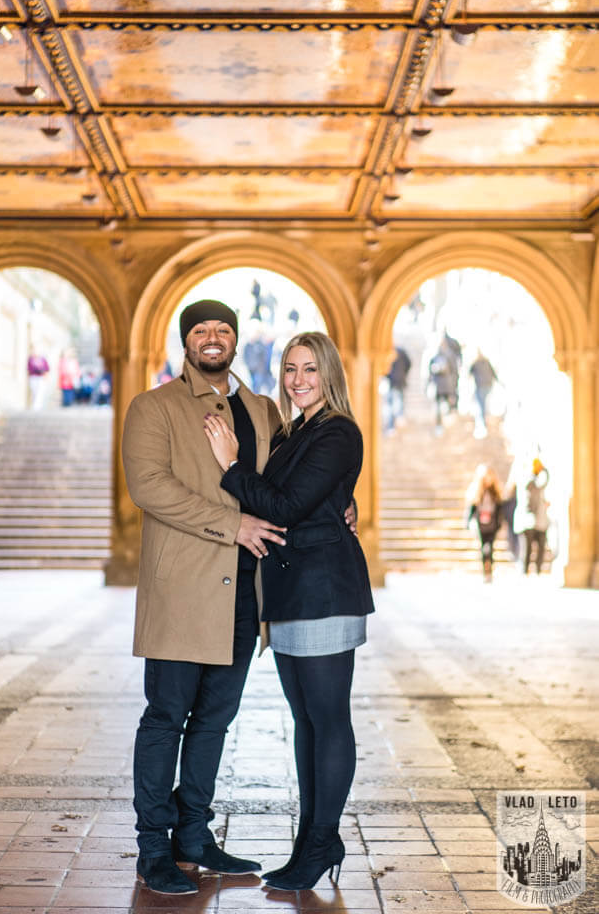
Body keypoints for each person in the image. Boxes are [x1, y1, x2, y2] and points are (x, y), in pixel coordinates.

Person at [121, 300, 287, 895]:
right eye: (200, 330)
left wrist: (339, 500)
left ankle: (194, 837)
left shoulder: (262, 410)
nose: (212, 338)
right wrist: (232, 526)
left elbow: (285, 480)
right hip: (183, 592)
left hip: (246, 592)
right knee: (166, 717)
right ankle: (152, 848)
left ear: (236, 341)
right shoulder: (154, 407)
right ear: (185, 341)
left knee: (215, 719)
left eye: (223, 330)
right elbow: (149, 486)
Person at [203, 331, 375, 892]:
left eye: (310, 369)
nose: (298, 380)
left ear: (329, 374)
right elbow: (309, 498)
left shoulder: (338, 432)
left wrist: (230, 465)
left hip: (324, 592)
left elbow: (285, 507)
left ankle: (322, 840)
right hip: (291, 592)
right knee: (305, 722)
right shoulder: (297, 430)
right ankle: (312, 838)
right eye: (290, 369)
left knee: (328, 721)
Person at [466, 464, 503, 582]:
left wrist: (499, 523)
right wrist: (468, 522)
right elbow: (471, 508)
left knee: (490, 548)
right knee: (483, 548)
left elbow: (499, 508)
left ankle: (490, 570)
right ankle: (485, 571)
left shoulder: (495, 492)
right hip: (481, 525)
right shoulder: (477, 491)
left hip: (492, 524)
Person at [515, 458, 550, 575]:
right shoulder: (529, 481)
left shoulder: (536, 482)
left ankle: (536, 571)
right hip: (527, 520)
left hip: (538, 520)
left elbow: (543, 484)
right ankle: (525, 572)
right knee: (527, 548)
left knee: (540, 546)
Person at [428, 343, 458, 432]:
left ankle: (439, 426)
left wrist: (429, 383)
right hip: (448, 386)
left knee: (438, 406)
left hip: (437, 386)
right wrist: (454, 386)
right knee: (446, 404)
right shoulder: (450, 355)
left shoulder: (434, 356)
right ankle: (447, 423)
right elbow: (454, 371)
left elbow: (430, 372)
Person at [469, 349, 498, 438]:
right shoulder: (486, 362)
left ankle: (483, 425)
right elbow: (493, 373)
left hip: (481, 386)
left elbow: (469, 374)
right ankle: (484, 422)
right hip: (488, 386)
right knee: (484, 404)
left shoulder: (475, 363)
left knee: (481, 405)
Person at [384, 345, 411, 432]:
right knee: (392, 402)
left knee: (393, 402)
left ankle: (393, 424)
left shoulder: (395, 352)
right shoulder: (400, 351)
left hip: (393, 381)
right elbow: (409, 363)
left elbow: (408, 363)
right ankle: (396, 421)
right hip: (395, 381)